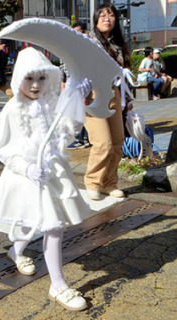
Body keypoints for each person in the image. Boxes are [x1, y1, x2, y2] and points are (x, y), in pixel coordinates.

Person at [0, 47, 91, 311]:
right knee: (43, 222)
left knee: (49, 223)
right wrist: (26, 167)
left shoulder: (51, 102)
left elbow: (68, 131)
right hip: (28, 176)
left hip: (53, 172)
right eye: (29, 79)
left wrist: (76, 97)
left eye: (41, 79)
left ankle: (17, 253)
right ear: (19, 78)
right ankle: (57, 283)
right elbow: (2, 147)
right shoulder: (12, 108)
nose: (35, 85)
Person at [85, 3, 131, 200]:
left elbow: (125, 75)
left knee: (117, 143)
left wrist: (128, 101)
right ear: (96, 20)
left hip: (115, 95)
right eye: (102, 15)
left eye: (111, 15)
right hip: (92, 95)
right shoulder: (88, 42)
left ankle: (109, 183)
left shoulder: (118, 44)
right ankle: (93, 181)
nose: (107, 18)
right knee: (102, 143)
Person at [62, 21, 91, 149]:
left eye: (78, 32)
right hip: (74, 85)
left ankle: (82, 139)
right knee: (76, 114)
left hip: (83, 86)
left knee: (81, 114)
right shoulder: (72, 47)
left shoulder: (87, 47)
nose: (75, 35)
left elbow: (87, 72)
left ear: (85, 32)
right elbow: (64, 70)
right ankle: (81, 138)